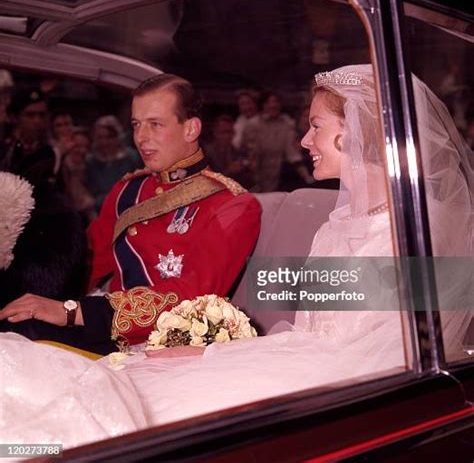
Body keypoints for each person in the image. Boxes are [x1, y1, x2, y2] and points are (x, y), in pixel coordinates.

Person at [1, 65, 471, 449]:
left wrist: (218, 353)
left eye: (316, 127)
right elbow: (309, 329)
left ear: (361, 135)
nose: (304, 140)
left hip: (337, 386)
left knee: (121, 418)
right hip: (289, 357)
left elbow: (376, 360)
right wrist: (214, 350)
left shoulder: (411, 235)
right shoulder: (338, 224)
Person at [0, 74, 261, 353]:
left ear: (191, 129)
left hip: (159, 346)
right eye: (136, 125)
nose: (141, 138)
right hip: (103, 330)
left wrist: (72, 311)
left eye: (155, 125)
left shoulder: (231, 204)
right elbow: (85, 265)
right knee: (13, 327)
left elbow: (192, 299)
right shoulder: (128, 191)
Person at [86, 115, 142, 213]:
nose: (105, 142)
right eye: (100, 137)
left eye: (109, 137)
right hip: (100, 212)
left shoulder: (131, 157)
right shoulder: (91, 161)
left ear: (117, 137)